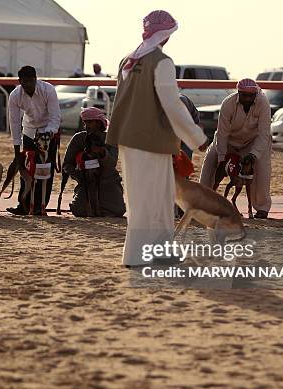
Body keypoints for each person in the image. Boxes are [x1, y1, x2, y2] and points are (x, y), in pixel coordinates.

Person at [106, 10, 209, 267]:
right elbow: (172, 105)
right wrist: (197, 138)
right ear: (167, 34)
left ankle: (138, 255)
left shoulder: (127, 61)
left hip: (129, 139)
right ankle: (150, 255)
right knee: (156, 200)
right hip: (151, 140)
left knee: (143, 199)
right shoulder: (161, 62)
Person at [198, 78, 272, 219]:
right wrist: (221, 157)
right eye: (244, 95)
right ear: (238, 93)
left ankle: (262, 208)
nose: (248, 98)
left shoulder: (263, 103)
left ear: (256, 94)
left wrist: (253, 154)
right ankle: (202, 205)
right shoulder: (228, 103)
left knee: (262, 169)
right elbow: (222, 132)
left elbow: (264, 134)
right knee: (209, 165)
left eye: (251, 95)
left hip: (252, 141)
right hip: (227, 141)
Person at [7, 65, 61, 215]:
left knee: (46, 170)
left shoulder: (48, 90)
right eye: (25, 81)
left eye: (31, 81)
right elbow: (15, 123)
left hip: (47, 133)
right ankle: (23, 204)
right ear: (20, 81)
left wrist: (48, 135)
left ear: (36, 79)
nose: (29, 85)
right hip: (29, 132)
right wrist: (17, 150)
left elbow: (55, 116)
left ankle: (40, 205)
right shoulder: (15, 95)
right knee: (27, 169)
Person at [63, 107, 126, 217]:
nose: (87, 125)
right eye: (85, 122)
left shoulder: (110, 139)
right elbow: (67, 164)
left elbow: (112, 163)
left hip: (108, 181)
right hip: (86, 183)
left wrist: (102, 152)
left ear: (98, 123)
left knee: (118, 210)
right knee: (79, 210)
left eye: (90, 122)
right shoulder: (78, 139)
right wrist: (80, 177)